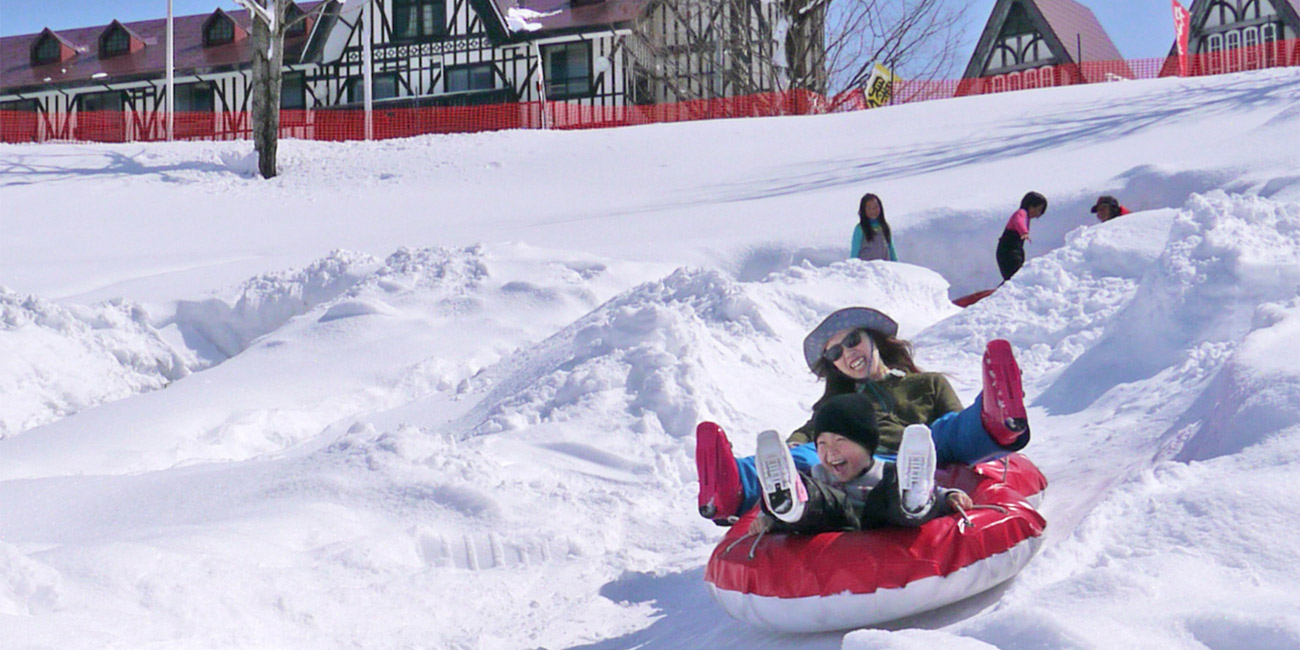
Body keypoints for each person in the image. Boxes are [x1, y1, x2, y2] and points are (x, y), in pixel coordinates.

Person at [696, 306, 1029, 525]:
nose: (848, 353)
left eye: (853, 340)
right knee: (807, 455)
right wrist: (793, 448)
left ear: (874, 339)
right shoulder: (837, 403)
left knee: (944, 432)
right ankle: (733, 485)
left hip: (920, 452)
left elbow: (956, 433)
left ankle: (999, 417)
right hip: (859, 459)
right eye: (835, 352)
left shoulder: (927, 384)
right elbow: (807, 436)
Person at [748, 394, 972, 535]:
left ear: (867, 445)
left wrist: (949, 497)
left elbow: (940, 493)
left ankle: (913, 503)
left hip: (882, 525)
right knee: (817, 498)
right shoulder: (817, 478)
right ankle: (789, 505)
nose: (830, 451)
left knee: (892, 492)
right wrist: (767, 520)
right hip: (832, 524)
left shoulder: (887, 473)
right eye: (822, 444)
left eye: (840, 441)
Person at [996, 191, 1048, 282]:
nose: (1038, 213)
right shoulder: (1021, 213)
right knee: (1014, 276)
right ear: (1029, 205)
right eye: (1037, 209)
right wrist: (1024, 232)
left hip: (1015, 250)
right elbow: (1018, 221)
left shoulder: (1026, 217)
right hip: (1007, 251)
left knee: (1017, 274)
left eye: (1040, 211)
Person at [849, 193, 898, 262]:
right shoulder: (860, 229)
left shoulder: (884, 227)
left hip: (884, 269)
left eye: (875, 207)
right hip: (868, 271)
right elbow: (854, 252)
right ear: (863, 210)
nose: (873, 211)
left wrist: (896, 265)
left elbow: (891, 250)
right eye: (869, 208)